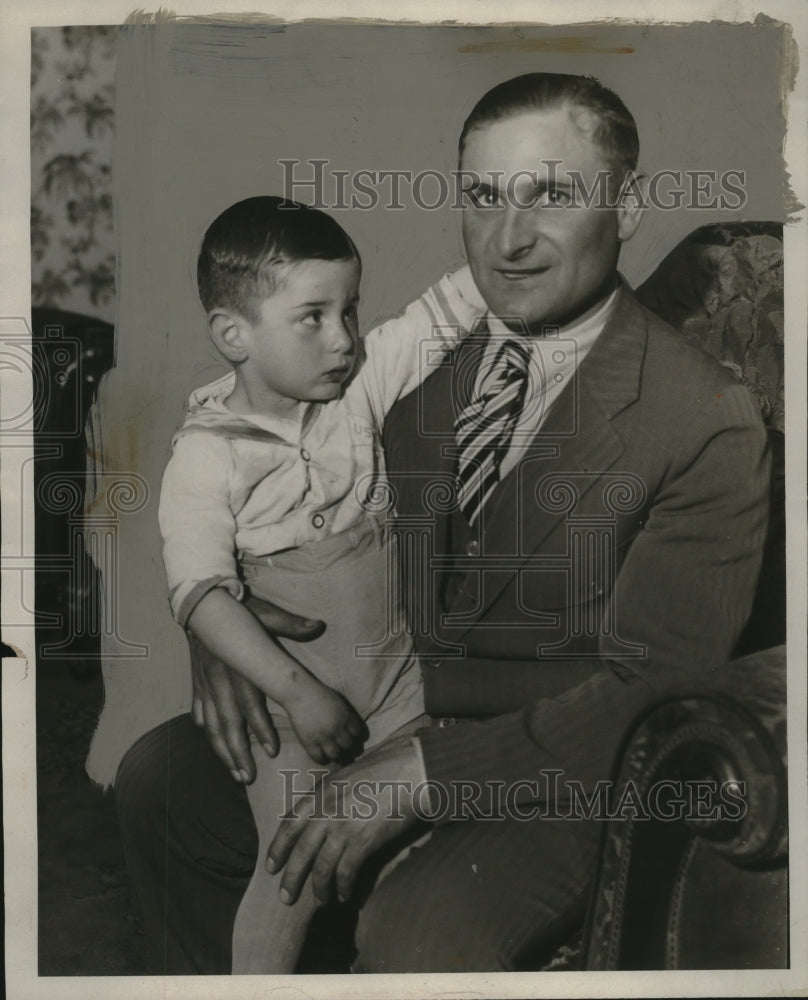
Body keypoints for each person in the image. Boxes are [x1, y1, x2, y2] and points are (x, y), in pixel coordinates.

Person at [113, 72, 770, 973]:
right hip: (362, 695)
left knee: (422, 927)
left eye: (551, 195)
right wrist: (223, 638)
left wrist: (426, 776)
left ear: (628, 206)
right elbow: (256, 489)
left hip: (549, 765)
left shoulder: (704, 419)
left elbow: (654, 688)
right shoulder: (389, 361)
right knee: (162, 783)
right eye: (483, 197)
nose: (508, 241)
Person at [156, 195, 482, 972]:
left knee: (416, 854)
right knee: (294, 868)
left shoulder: (355, 392)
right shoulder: (206, 456)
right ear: (234, 334)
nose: (343, 339)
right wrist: (299, 694)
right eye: (313, 316)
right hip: (290, 702)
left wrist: (512, 237)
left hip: (400, 684)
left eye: (350, 310)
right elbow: (201, 594)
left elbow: (443, 310)